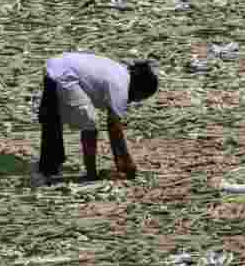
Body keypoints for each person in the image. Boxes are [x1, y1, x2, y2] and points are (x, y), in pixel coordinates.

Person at [35, 52, 158, 185]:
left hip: (56, 65)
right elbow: (114, 127)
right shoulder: (121, 86)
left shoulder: (120, 71)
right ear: (139, 89)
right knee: (89, 121)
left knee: (54, 116)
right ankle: (90, 174)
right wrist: (125, 161)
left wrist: (121, 159)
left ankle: (50, 163)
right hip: (65, 74)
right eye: (139, 98)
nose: (133, 101)